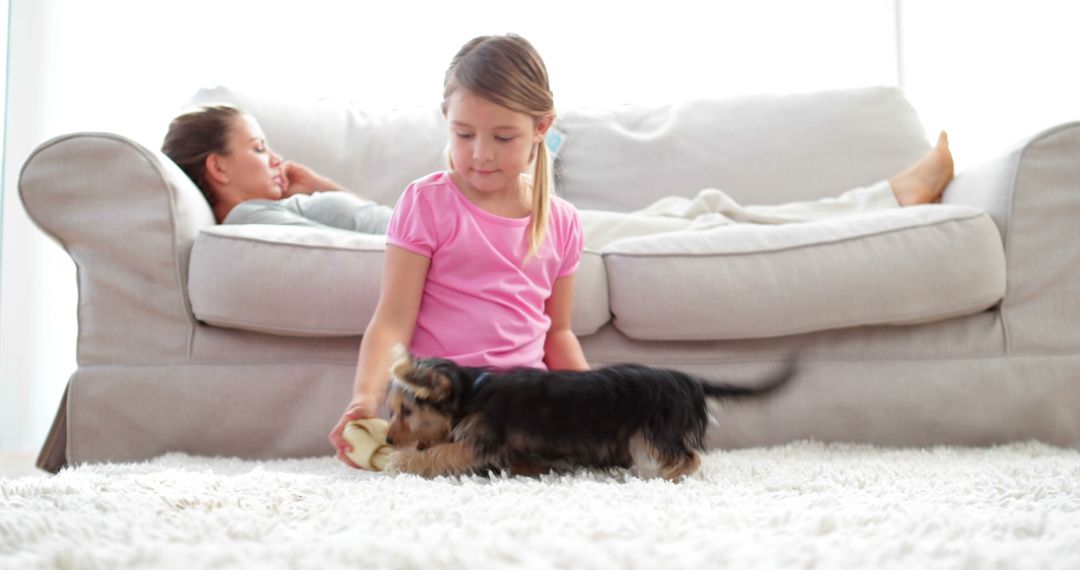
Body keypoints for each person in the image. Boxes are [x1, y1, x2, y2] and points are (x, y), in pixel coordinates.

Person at [162, 104, 393, 233]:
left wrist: (317, 187)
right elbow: (357, 255)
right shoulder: (246, 218)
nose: (277, 160)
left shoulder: (261, 213)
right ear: (218, 168)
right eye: (259, 148)